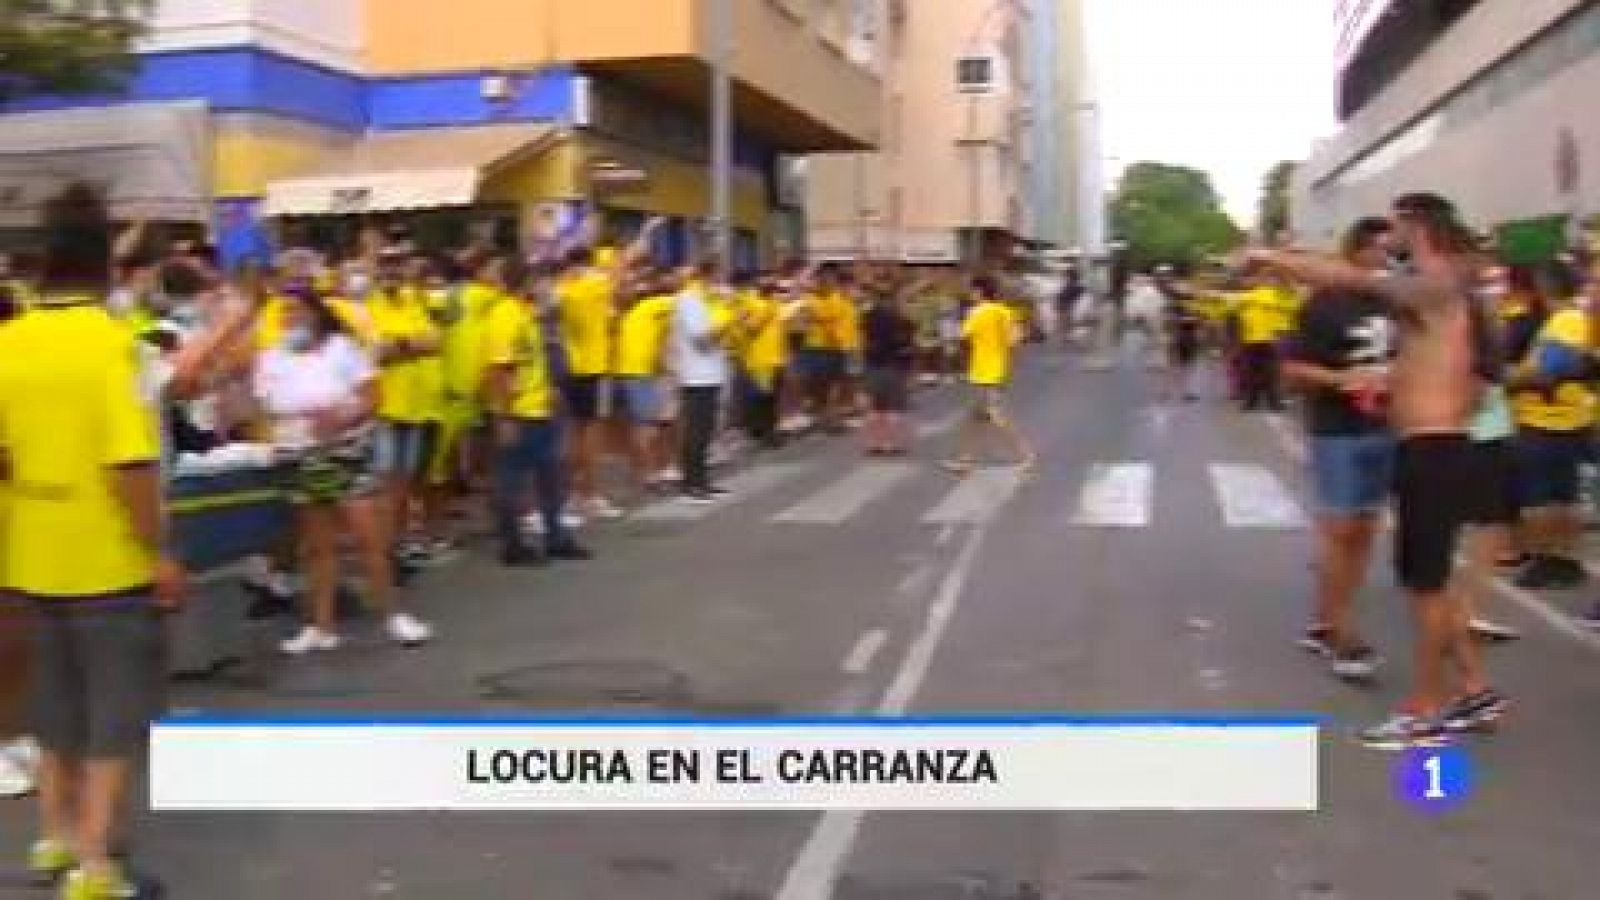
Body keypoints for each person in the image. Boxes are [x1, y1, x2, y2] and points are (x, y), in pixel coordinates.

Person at [1244, 192, 1506, 748]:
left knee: (1425, 586)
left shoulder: (1433, 286)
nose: (1389, 242)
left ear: (1417, 227)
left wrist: (1273, 258)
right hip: (1433, 445)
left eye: (1396, 230)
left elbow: (1349, 277)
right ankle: (1475, 689)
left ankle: (1426, 709)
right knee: (1425, 579)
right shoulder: (1448, 292)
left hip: (1432, 450)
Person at [0, 183, 182, 899]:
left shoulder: (9, 342)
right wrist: (158, 553)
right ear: (106, 265)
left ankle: (57, 836)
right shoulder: (116, 348)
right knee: (113, 715)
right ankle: (98, 866)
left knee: (51, 708)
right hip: (106, 562)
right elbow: (130, 466)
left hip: (27, 553)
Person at [254, 285, 433, 656]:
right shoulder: (271, 358)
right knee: (318, 546)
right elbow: (264, 409)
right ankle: (321, 625)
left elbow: (373, 396)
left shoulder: (343, 350)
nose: (290, 319)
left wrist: (342, 417)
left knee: (368, 536)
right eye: (284, 313)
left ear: (316, 314)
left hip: (345, 451)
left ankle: (393, 615)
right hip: (299, 452)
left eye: (296, 311)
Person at [1280, 218, 1396, 681]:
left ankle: (1328, 620)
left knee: (1366, 529)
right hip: (1337, 429)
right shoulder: (1323, 305)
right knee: (1339, 528)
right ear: (1359, 252)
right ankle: (1345, 636)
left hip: (1384, 426)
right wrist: (1340, 379)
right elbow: (1292, 368)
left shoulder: (1395, 302)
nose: (1390, 260)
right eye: (1383, 251)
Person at [485, 261, 591, 567]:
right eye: (538, 280)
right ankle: (513, 545)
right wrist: (505, 417)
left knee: (551, 476)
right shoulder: (505, 315)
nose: (542, 287)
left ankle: (555, 538)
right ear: (526, 281)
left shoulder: (525, 313)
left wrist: (551, 392)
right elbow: (500, 369)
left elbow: (531, 361)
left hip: (539, 408)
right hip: (518, 413)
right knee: (513, 482)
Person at [1506, 260, 1592, 590]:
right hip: (1559, 419)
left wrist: (1504, 376)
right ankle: (1562, 561)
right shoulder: (1566, 320)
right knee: (1561, 496)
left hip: (1547, 421)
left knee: (1542, 498)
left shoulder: (1565, 321)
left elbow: (1547, 370)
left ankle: (1550, 562)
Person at [366, 250, 443, 569]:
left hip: (414, 408)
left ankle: (395, 548)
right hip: (383, 408)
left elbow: (435, 342)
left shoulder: (413, 301)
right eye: (386, 265)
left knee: (403, 484)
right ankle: (379, 553)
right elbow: (374, 351)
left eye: (397, 265)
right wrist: (411, 345)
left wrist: (398, 346)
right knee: (382, 486)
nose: (392, 272)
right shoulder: (368, 306)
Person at [943, 276, 1037, 476]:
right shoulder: (1005, 312)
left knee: (997, 416)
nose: (970, 294)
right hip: (998, 371)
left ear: (979, 291)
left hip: (983, 373)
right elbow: (1015, 342)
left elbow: (961, 337)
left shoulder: (977, 313)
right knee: (974, 417)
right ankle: (964, 460)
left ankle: (1026, 455)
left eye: (972, 290)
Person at [612, 271, 678, 499]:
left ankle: (643, 474)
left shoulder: (632, 314)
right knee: (645, 428)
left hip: (635, 373)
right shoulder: (648, 306)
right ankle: (649, 476)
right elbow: (681, 302)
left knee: (641, 426)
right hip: (637, 374)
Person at [674, 261, 733, 504]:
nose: (721, 284)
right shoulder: (690, 300)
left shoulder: (709, 301)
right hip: (696, 375)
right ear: (707, 276)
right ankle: (691, 483)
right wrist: (728, 315)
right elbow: (702, 339)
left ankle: (702, 480)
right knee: (696, 431)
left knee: (707, 429)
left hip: (712, 373)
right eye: (718, 277)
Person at [861, 281, 916, 455]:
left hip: (872, 365)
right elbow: (908, 344)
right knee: (894, 408)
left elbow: (863, 339)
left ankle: (873, 444)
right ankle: (891, 444)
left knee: (875, 408)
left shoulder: (867, 317)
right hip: (895, 366)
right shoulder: (901, 319)